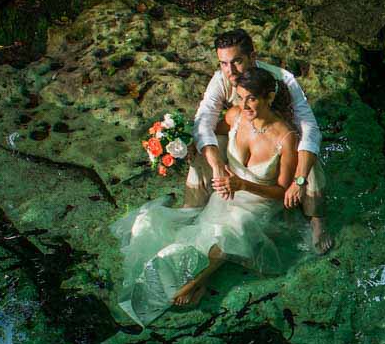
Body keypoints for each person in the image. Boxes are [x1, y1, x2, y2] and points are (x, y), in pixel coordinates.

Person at [111, 68, 311, 326]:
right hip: (227, 192)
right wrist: (183, 143)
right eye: (240, 98)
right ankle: (180, 280)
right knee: (196, 236)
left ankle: (197, 282)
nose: (245, 105)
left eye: (252, 98)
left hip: (257, 204)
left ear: (269, 97)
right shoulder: (236, 116)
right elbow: (205, 132)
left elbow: (281, 192)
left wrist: (243, 184)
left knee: (234, 229)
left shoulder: (285, 138)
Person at [189, 27, 333, 253]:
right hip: (244, 133)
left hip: (282, 140)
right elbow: (204, 120)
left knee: (307, 155)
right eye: (223, 63)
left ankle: (316, 219)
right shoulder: (221, 80)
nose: (230, 70)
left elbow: (310, 128)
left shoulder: (284, 79)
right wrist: (216, 164)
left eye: (236, 61)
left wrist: (300, 179)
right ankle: (193, 206)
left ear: (252, 57)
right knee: (205, 148)